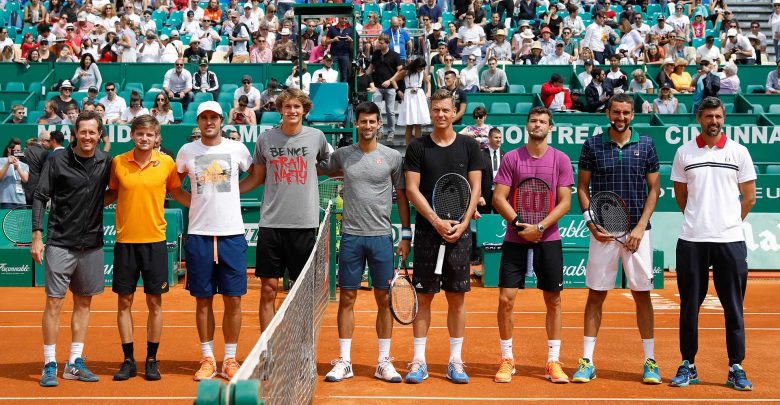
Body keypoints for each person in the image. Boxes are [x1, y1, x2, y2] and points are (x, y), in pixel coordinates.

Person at [573, 93, 661, 385]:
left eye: (625, 113)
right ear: (607, 112)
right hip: (603, 231)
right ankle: (587, 360)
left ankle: (650, 361)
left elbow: (654, 190)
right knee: (596, 295)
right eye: (615, 112)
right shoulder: (593, 145)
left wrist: (640, 227)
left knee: (642, 295)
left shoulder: (646, 144)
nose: (620, 117)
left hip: (638, 233)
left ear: (632, 115)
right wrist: (591, 223)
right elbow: (582, 187)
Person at [669, 96, 757, 391]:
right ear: (699, 119)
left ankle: (736, 366)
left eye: (718, 116)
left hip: (730, 240)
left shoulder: (738, 152)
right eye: (708, 116)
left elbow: (750, 197)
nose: (714, 122)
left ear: (724, 119)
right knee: (689, 306)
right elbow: (681, 196)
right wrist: (700, 220)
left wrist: (728, 222)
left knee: (733, 307)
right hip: (692, 239)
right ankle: (688, 364)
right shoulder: (684, 152)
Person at [322, 101, 411, 383]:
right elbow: (321, 167)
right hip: (350, 236)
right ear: (357, 123)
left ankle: (383, 361)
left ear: (379, 125)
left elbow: (402, 196)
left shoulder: (392, 158)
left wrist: (406, 234)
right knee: (347, 298)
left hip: (381, 238)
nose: (368, 126)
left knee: (383, 300)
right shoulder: (343, 155)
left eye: (373, 122)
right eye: (364, 121)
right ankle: (345, 361)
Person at [402, 88, 483, 385]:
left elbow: (476, 188)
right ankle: (419, 361)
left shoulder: (470, 146)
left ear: (454, 112)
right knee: (423, 298)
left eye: (446, 110)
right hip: (427, 231)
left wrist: (462, 224)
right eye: (436, 110)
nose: (441, 115)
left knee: (457, 299)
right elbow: (411, 189)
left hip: (459, 233)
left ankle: (455, 361)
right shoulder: (417, 147)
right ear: (430, 111)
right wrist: (436, 221)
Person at [104, 114, 190, 382]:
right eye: (140, 134)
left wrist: (205, 205)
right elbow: (111, 194)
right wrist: (83, 202)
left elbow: (177, 194)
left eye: (149, 135)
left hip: (155, 242)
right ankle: (128, 360)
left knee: (155, 302)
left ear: (157, 138)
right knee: (124, 302)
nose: (144, 138)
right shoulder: (118, 162)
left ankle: (151, 359)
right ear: (133, 135)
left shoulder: (166, 163)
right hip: (125, 242)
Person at [491, 106, 573, 384]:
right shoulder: (512, 158)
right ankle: (507, 359)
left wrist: (539, 227)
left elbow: (565, 202)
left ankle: (553, 361)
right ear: (527, 125)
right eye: (533, 121)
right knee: (506, 300)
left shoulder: (560, 160)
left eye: (543, 121)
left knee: (554, 300)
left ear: (551, 128)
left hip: (548, 238)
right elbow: (499, 198)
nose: (537, 124)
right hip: (515, 238)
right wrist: (519, 226)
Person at [238, 88, 330, 332]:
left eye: (297, 107)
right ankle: (267, 348)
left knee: (302, 293)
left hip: (304, 224)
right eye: (287, 107)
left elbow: (328, 166)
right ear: (280, 110)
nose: (292, 111)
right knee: (268, 288)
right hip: (271, 224)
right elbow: (256, 178)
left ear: (304, 110)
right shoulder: (266, 139)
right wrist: (226, 192)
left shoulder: (317, 137)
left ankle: (301, 344)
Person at [32, 111, 113, 387]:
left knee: (84, 303)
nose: (88, 136)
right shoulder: (57, 161)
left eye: (93, 132)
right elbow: (41, 196)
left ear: (99, 134)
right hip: (60, 242)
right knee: (54, 303)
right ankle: (49, 363)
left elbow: (113, 191)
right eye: (83, 132)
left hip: (91, 244)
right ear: (74, 134)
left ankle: (74, 363)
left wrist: (95, 205)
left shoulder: (105, 161)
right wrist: (36, 235)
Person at [175, 101, 252, 381]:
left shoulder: (237, 149)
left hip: (231, 234)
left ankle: (229, 359)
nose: (209, 122)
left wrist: (235, 193)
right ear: (198, 122)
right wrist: (192, 201)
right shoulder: (187, 151)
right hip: (199, 234)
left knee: (233, 300)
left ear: (222, 120)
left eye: (214, 117)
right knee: (203, 300)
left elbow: (256, 174)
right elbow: (174, 186)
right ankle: (207, 358)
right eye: (204, 118)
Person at [366, 34, 403, 140]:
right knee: (377, 108)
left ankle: (391, 131)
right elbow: (371, 67)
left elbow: (400, 70)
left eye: (381, 43)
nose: (379, 44)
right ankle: (380, 130)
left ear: (387, 43)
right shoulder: (376, 53)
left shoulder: (395, 55)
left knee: (390, 111)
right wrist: (364, 74)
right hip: (377, 86)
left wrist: (390, 80)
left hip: (390, 87)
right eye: (379, 42)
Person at [388, 57, 432, 145]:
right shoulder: (406, 71)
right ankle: (408, 147)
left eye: (423, 68)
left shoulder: (422, 72)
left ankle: (418, 147)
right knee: (409, 124)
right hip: (408, 96)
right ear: (416, 66)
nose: (422, 69)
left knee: (418, 123)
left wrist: (428, 92)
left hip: (419, 95)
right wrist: (398, 91)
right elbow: (393, 80)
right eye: (420, 67)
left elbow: (428, 82)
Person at [478, 128, 503, 215]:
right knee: (483, 222)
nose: (499, 140)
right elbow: (477, 177)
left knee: (501, 223)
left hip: (500, 196)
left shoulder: (506, 155)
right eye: (496, 137)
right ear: (489, 138)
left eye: (500, 137)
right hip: (484, 196)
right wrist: (479, 196)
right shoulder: (481, 155)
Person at [23, 131, 51, 205]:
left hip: (24, 191)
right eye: (49, 141)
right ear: (43, 141)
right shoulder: (45, 153)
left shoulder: (26, 151)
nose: (51, 143)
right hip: (38, 192)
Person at [0, 139, 30, 209]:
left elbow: (25, 179)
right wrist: (8, 163)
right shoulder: (1, 161)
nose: (17, 153)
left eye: (19, 151)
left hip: (21, 201)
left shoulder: (24, 165)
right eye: (15, 151)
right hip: (6, 200)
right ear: (9, 150)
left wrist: (18, 167)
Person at [324, 16, 354, 83]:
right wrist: (334, 39)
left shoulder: (350, 29)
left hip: (345, 55)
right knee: (334, 74)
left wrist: (351, 41)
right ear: (339, 19)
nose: (344, 20)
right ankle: (334, 90)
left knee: (344, 75)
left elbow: (353, 45)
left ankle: (343, 92)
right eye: (342, 18)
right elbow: (326, 41)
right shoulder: (332, 29)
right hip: (334, 54)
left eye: (345, 18)